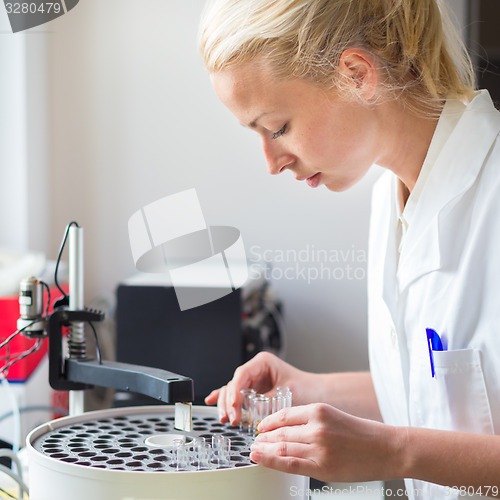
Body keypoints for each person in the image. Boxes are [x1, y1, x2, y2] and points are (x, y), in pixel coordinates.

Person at [198, 0, 500, 498]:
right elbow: (439, 390)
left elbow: (419, 431)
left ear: (357, 74)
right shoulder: (391, 195)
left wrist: (392, 453)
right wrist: (311, 391)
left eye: (277, 128)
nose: (272, 163)